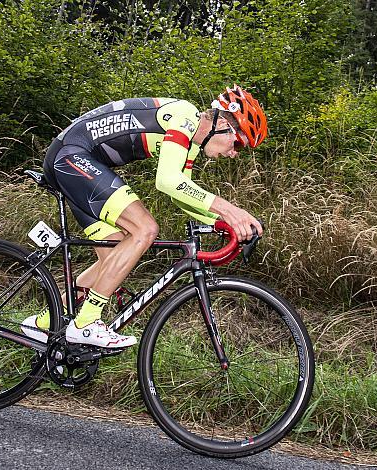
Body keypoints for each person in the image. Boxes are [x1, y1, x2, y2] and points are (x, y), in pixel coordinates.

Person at [21, 85, 268, 348]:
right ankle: (87, 323)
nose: (234, 153)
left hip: (74, 160)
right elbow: (167, 181)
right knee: (145, 229)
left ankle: (45, 322)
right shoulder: (185, 116)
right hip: (71, 155)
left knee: (118, 252)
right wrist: (231, 210)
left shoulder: (191, 145)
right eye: (238, 143)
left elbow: (180, 194)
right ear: (222, 125)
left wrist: (220, 222)